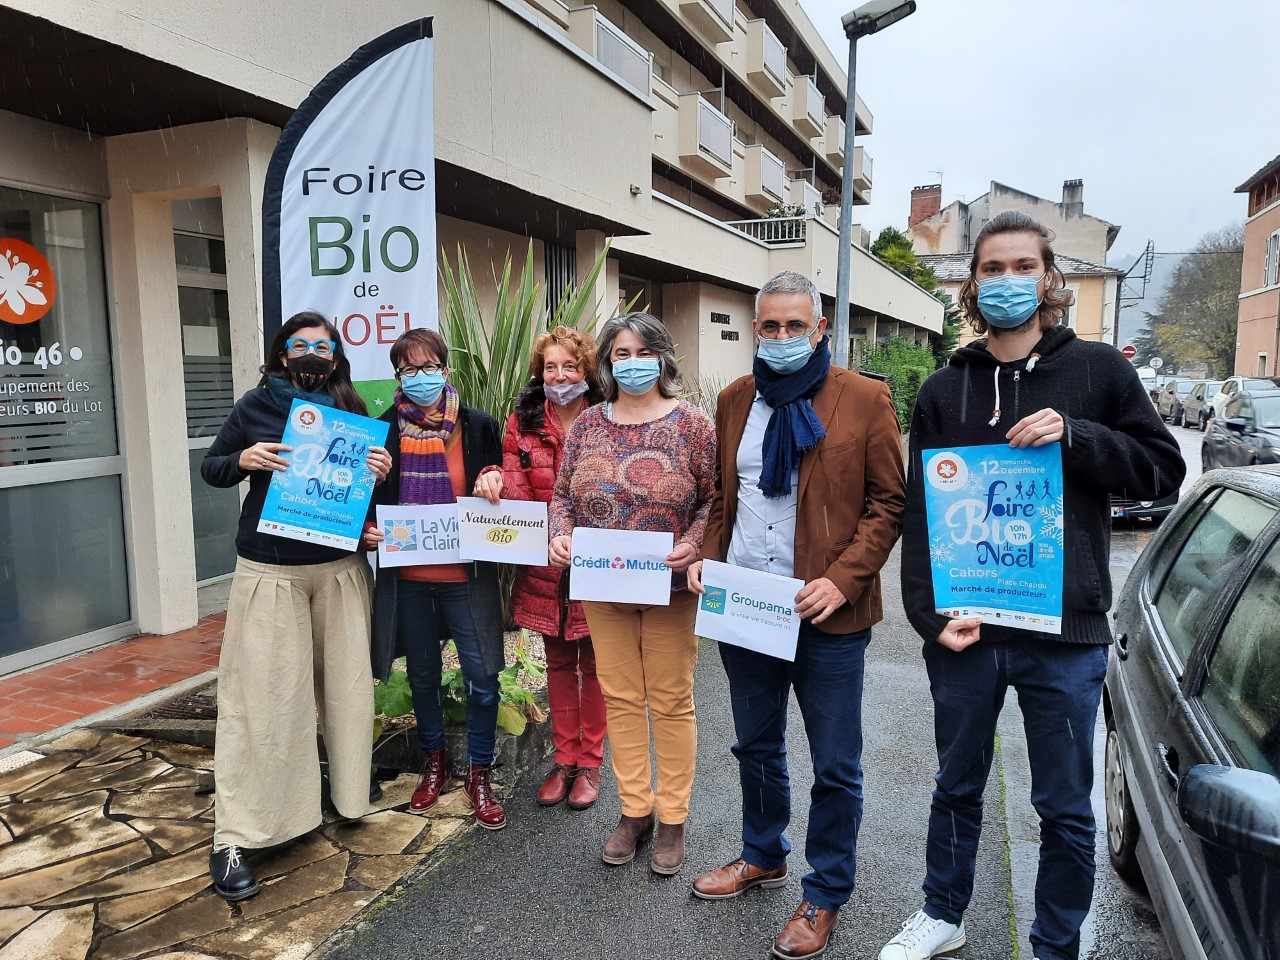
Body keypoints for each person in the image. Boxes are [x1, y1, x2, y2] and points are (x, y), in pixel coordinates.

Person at [883, 212, 1185, 960]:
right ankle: (942, 914)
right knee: (956, 785)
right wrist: (927, 616)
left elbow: (1163, 471)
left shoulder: (1099, 372)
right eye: (994, 268)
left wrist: (1077, 435)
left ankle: (1055, 943)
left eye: (1025, 267)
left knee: (1062, 806)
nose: (1009, 281)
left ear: (1049, 278)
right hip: (967, 629)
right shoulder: (944, 391)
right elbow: (921, 516)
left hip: (1065, 635)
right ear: (972, 283)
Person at [687, 271, 906, 960]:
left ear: (819, 329)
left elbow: (889, 503)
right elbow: (726, 493)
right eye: (770, 327)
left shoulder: (863, 399)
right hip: (747, 604)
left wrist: (842, 580)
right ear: (757, 330)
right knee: (754, 745)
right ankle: (763, 854)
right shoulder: (733, 400)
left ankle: (826, 892)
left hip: (827, 615)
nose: (782, 338)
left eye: (795, 326)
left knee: (835, 764)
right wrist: (707, 557)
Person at [200, 310, 392, 901]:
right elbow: (211, 468)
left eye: (323, 345)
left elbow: (355, 494)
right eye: (300, 344)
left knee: (348, 690)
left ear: (335, 357)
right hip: (271, 572)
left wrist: (378, 481)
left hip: (338, 573)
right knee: (262, 700)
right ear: (282, 354)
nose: (312, 353)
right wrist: (244, 462)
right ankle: (238, 832)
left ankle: (347, 792)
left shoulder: (353, 411)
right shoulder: (254, 407)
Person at [548, 312, 717, 875]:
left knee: (670, 700)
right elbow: (563, 498)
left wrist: (695, 543)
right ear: (606, 362)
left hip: (671, 586)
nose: (632, 362)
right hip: (603, 584)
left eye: (643, 351)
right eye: (620, 353)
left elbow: (716, 500)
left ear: (663, 358)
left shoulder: (694, 424)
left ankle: (673, 818)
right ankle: (634, 810)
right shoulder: (589, 424)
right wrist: (560, 536)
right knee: (621, 697)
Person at [367, 328, 508, 831]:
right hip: (408, 575)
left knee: (484, 676)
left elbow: (498, 479)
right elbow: (365, 503)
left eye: (430, 368)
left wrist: (495, 479)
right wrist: (366, 524)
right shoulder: (380, 431)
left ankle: (479, 771)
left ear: (446, 371)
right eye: (410, 369)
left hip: (466, 574)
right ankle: (434, 762)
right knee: (422, 676)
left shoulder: (477, 425)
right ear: (398, 376)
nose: (422, 378)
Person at [473, 326, 608, 810]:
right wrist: (493, 478)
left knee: (594, 666)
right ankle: (563, 759)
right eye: (551, 367)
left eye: (570, 366)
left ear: (587, 369)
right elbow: (516, 482)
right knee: (557, 663)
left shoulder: (607, 417)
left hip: (599, 560)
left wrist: (577, 537)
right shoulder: (522, 421)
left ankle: (590, 764)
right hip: (545, 564)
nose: (560, 375)